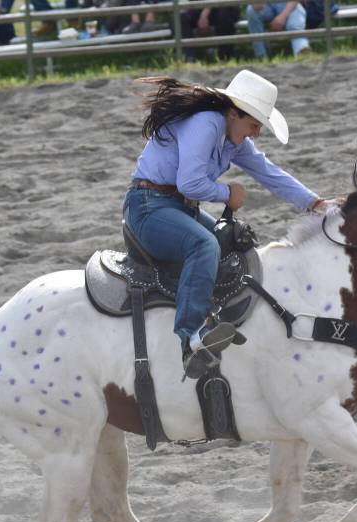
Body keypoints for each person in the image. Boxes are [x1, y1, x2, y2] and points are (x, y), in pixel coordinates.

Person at [124, 70, 332, 378]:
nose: (256, 133)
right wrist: (227, 193)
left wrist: (314, 204)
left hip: (173, 208)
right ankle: (191, 338)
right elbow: (190, 182)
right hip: (147, 207)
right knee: (204, 245)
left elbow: (268, 172)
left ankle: (218, 321)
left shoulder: (232, 137)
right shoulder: (207, 122)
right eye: (254, 124)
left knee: (238, 246)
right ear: (234, 113)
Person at [245, 1, 309, 59]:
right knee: (251, 11)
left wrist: (283, 16)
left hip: (288, 5)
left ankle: (301, 50)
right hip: (267, 6)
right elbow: (257, 7)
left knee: (296, 13)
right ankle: (261, 56)